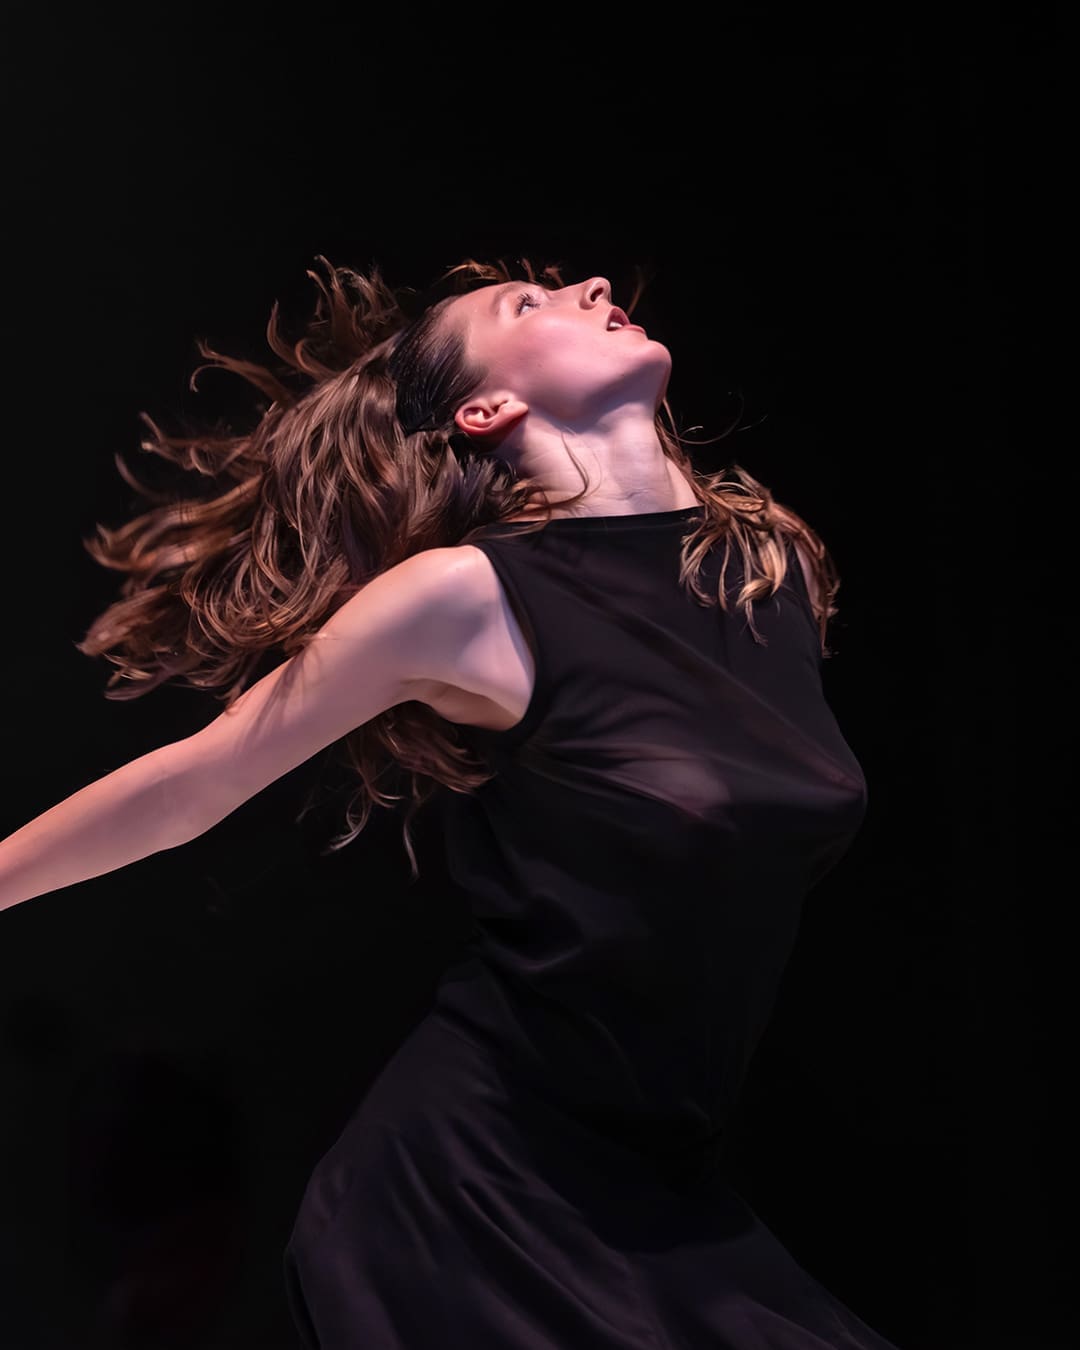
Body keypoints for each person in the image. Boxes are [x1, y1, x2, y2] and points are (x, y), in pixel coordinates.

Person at [0, 255, 903, 1348]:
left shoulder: (769, 575)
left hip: (663, 1196)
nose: (592, 285)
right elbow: (200, 779)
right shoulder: (466, 597)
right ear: (488, 408)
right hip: (471, 1196)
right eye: (528, 303)